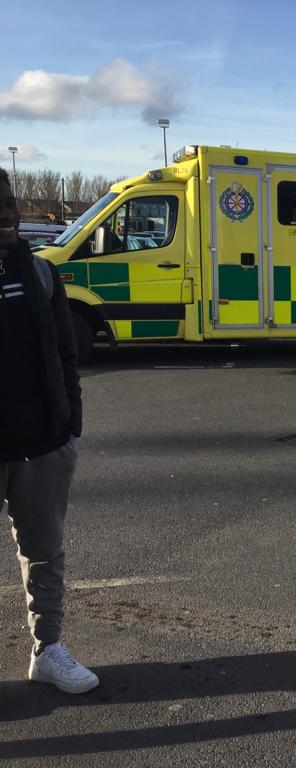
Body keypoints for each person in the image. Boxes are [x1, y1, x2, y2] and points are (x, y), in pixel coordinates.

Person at [0, 167, 98, 694]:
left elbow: (65, 354)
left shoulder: (40, 274)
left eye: (10, 203)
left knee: (45, 554)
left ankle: (48, 651)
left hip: (43, 445)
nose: (8, 213)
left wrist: (70, 428)